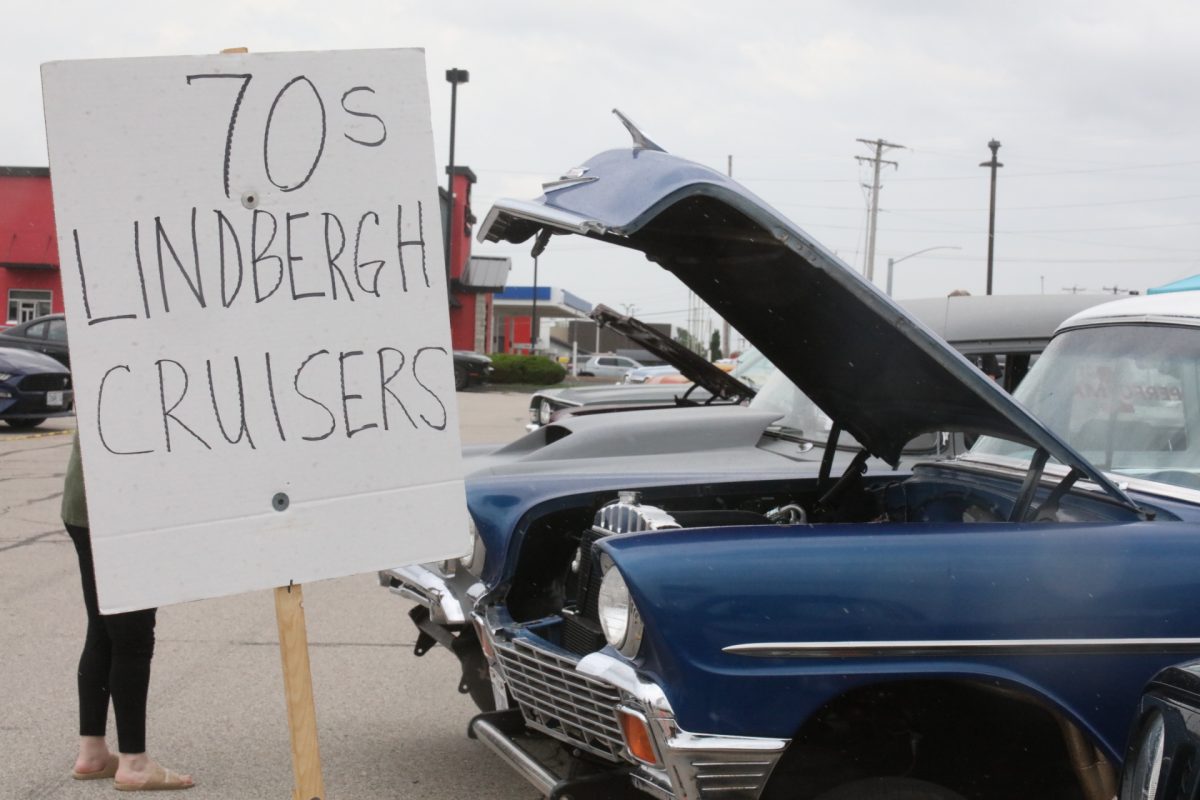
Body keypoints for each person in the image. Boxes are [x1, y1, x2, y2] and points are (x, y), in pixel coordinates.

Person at [63, 434, 194, 791]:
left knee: (103, 627)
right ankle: (135, 763)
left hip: (84, 500)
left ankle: (92, 753)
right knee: (132, 637)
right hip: (125, 504)